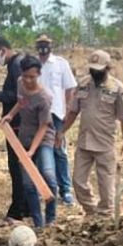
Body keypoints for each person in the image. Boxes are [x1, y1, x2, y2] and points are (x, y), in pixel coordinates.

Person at [60, 50, 123, 216]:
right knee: (78, 181)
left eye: (99, 69)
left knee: (106, 184)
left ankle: (105, 215)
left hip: (105, 143)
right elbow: (73, 112)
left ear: (107, 68)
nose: (95, 72)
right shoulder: (84, 84)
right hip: (84, 141)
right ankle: (91, 211)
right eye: (92, 69)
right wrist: (61, 132)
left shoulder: (117, 88)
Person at [1, 56, 58, 228]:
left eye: (31, 77)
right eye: (25, 76)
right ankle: (38, 223)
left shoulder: (44, 97)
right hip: (24, 137)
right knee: (27, 182)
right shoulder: (20, 82)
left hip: (43, 139)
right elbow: (21, 102)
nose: (27, 80)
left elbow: (43, 127)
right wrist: (10, 114)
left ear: (39, 74)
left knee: (48, 176)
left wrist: (32, 151)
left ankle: (51, 218)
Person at [0, 36, 29, 225]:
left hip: (17, 124)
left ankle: (18, 210)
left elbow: (16, 95)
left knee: (17, 168)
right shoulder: (15, 65)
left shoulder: (16, 65)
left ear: (3, 50)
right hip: (17, 123)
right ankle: (23, 207)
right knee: (19, 167)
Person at [36, 34, 77, 206]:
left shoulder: (61, 64)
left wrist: (67, 110)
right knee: (40, 150)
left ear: (51, 46)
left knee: (59, 151)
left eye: (46, 44)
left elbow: (70, 88)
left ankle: (65, 190)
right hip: (38, 114)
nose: (43, 48)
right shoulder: (33, 64)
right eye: (40, 45)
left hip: (57, 114)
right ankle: (43, 188)